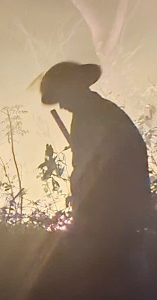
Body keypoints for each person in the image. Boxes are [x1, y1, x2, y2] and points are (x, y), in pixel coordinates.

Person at [39, 62, 150, 247]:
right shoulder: (93, 114)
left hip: (112, 217)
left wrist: (89, 212)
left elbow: (102, 168)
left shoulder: (97, 116)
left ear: (74, 87)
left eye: (62, 96)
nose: (62, 105)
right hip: (115, 216)